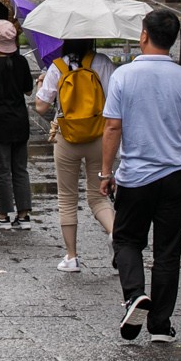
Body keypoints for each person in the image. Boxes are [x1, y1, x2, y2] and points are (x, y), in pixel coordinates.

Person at [101, 9, 181, 344]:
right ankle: (160, 323)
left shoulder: (123, 76)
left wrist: (106, 171)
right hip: (175, 174)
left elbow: (113, 127)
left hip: (136, 176)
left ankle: (134, 296)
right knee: (168, 250)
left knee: (127, 239)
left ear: (144, 35)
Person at [37, 37, 117, 271]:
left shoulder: (57, 66)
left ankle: (71, 257)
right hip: (98, 136)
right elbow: (114, 101)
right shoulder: (103, 63)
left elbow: (41, 106)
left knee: (67, 197)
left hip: (67, 137)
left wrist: (41, 84)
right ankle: (114, 233)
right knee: (98, 196)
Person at [0, 20, 36, 229]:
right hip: (20, 121)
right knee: (20, 169)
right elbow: (28, 90)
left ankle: (3, 216)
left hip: (1, 122)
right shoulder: (21, 62)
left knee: (2, 171)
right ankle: (23, 215)